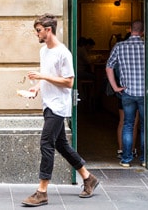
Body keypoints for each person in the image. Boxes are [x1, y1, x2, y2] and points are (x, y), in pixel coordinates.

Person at [21, 14, 99, 207]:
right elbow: (47, 76)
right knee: (61, 145)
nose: (36, 34)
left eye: (38, 30)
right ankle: (88, 178)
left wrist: (43, 76)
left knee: (46, 143)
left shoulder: (64, 53)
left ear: (49, 30)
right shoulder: (43, 51)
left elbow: (69, 82)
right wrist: (37, 87)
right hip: (48, 103)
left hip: (58, 106)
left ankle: (42, 192)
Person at [106, 20, 145, 167]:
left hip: (127, 92)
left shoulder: (119, 46)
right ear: (143, 32)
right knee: (144, 126)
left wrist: (115, 87)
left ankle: (126, 159)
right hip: (144, 93)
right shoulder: (147, 46)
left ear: (130, 30)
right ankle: (144, 159)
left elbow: (109, 67)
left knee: (128, 125)